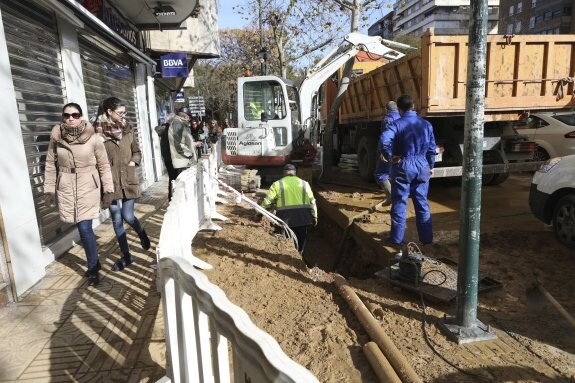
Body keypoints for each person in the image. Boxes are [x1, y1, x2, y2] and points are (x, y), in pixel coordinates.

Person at [43, 102, 114, 286]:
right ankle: (95, 262)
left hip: (88, 185)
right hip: (66, 185)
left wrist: (108, 190)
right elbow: (51, 164)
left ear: (81, 116)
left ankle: (92, 268)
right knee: (81, 228)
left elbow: (104, 165)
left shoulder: (94, 137)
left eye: (74, 115)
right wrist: (49, 190)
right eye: (66, 115)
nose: (70, 118)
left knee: (84, 229)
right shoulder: (57, 136)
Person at [94, 97, 151, 271]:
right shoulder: (96, 133)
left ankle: (141, 233)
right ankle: (127, 257)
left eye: (124, 112)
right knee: (116, 220)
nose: (123, 115)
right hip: (109, 182)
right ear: (109, 112)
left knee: (128, 216)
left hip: (128, 179)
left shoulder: (127, 128)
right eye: (120, 112)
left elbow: (137, 151)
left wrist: (134, 161)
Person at [380, 94, 436, 246]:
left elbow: (384, 140)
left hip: (404, 165)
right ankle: (427, 240)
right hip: (422, 165)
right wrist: (430, 166)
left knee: (399, 203)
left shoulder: (396, 125)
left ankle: (396, 240)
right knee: (422, 203)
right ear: (413, 106)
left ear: (399, 109)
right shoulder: (426, 125)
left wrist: (390, 156)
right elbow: (432, 149)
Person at [259, 164, 317, 256]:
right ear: (295, 173)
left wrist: (259, 213)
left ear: (283, 173)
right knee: (301, 240)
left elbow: (267, 202)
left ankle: (293, 257)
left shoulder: (277, 184)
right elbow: (312, 202)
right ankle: (299, 255)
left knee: (288, 242)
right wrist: (314, 218)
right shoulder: (304, 184)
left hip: (285, 220)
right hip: (303, 219)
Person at [375, 101, 401, 204]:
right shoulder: (403, 117)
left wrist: (385, 154)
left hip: (390, 150)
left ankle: (391, 197)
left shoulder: (388, 119)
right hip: (402, 151)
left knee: (381, 174)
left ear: (387, 109)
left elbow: (386, 139)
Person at [168, 107, 198, 185]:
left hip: (183, 161)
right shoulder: (178, 123)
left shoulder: (180, 124)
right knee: (183, 187)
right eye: (189, 117)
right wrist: (188, 154)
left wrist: (194, 144)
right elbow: (176, 143)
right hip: (182, 162)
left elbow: (182, 141)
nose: (189, 119)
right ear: (185, 116)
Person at [155, 113, 178, 200]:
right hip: (172, 157)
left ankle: (171, 196)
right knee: (175, 177)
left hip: (167, 157)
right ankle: (173, 197)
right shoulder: (170, 129)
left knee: (171, 177)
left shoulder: (165, 129)